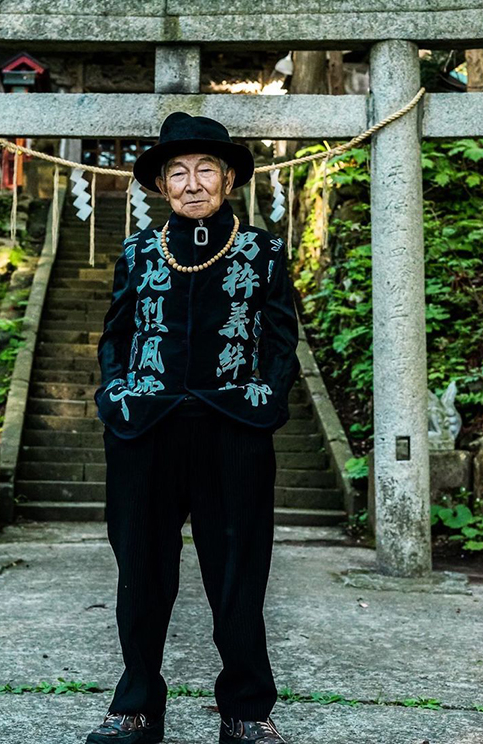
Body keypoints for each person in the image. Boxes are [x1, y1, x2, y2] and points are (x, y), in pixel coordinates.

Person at [87, 111, 300, 744]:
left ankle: (246, 710)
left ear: (228, 179)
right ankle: (137, 707)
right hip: (144, 430)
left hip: (232, 429)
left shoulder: (262, 251)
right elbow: (116, 336)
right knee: (141, 572)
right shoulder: (138, 252)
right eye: (177, 173)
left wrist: (266, 399)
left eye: (206, 169)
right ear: (161, 186)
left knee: (238, 573)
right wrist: (116, 396)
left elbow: (281, 339)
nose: (192, 183)